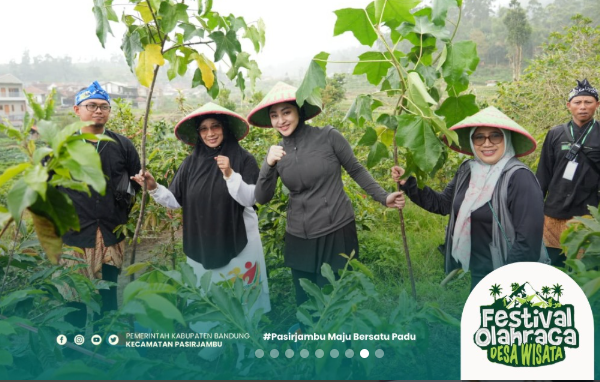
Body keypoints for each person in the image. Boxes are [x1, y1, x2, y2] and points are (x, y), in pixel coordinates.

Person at [248, 82, 405, 305]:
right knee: (305, 299)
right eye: (274, 116)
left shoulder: (328, 137)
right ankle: (310, 339)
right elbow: (262, 197)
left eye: (286, 112)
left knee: (335, 297)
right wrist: (268, 164)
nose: (280, 120)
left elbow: (355, 169)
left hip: (336, 230)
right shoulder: (277, 153)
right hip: (298, 235)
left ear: (299, 111)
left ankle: (342, 340)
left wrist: (383, 196)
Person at [131, 103, 270, 315]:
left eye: (215, 126)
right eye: (204, 129)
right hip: (202, 242)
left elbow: (251, 199)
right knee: (210, 304)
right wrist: (153, 187)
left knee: (244, 301)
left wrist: (231, 174)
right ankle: (213, 343)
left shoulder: (243, 159)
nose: (210, 133)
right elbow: (176, 200)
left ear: (225, 128)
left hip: (240, 242)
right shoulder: (191, 163)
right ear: (198, 133)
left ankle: (248, 343)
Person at [392, 107, 545, 289]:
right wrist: (408, 182)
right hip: (479, 271)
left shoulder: (519, 177)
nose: (486, 143)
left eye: (495, 136)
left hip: (510, 274)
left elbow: (528, 242)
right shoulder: (468, 170)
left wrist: (505, 281)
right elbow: (442, 204)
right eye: (479, 137)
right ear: (472, 142)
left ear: (507, 138)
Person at [59, 81, 141, 324]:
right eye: (91, 105)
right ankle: (75, 349)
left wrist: (120, 207)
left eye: (104, 106)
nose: (98, 111)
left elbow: (135, 183)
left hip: (110, 231)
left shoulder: (122, 145)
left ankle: (108, 343)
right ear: (77, 110)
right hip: (73, 234)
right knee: (74, 296)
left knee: (108, 293)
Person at [536, 79, 600, 267]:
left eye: (588, 102)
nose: (583, 107)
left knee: (582, 265)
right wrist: (535, 207)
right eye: (577, 102)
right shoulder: (555, 134)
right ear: (568, 106)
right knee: (552, 262)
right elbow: (544, 173)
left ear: (597, 104)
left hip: (586, 213)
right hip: (554, 211)